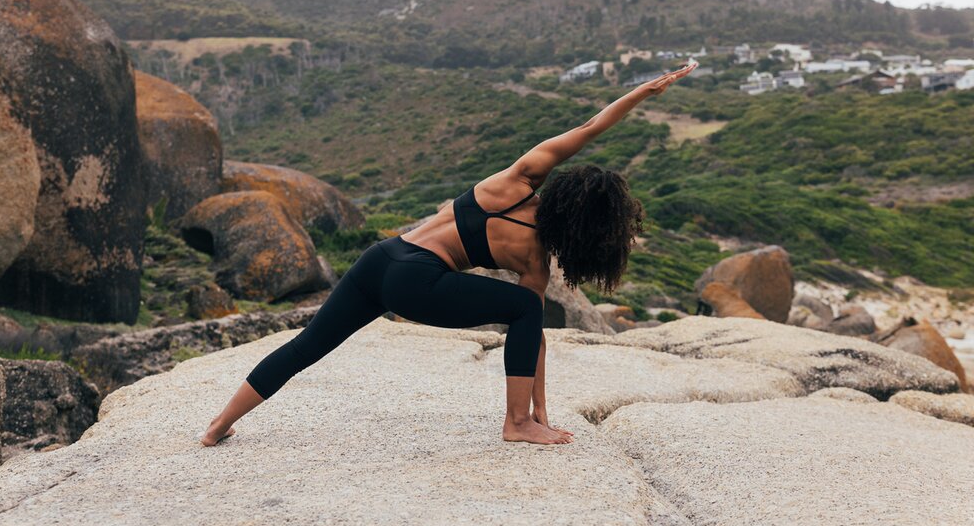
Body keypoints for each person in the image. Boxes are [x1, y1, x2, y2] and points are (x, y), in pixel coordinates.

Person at [200, 61, 697, 447]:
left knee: (307, 345)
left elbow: (588, 127)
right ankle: (516, 423)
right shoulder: (535, 258)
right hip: (418, 283)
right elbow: (532, 333)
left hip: (381, 258)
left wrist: (640, 93)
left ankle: (219, 424)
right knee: (526, 307)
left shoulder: (515, 181)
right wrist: (536, 411)